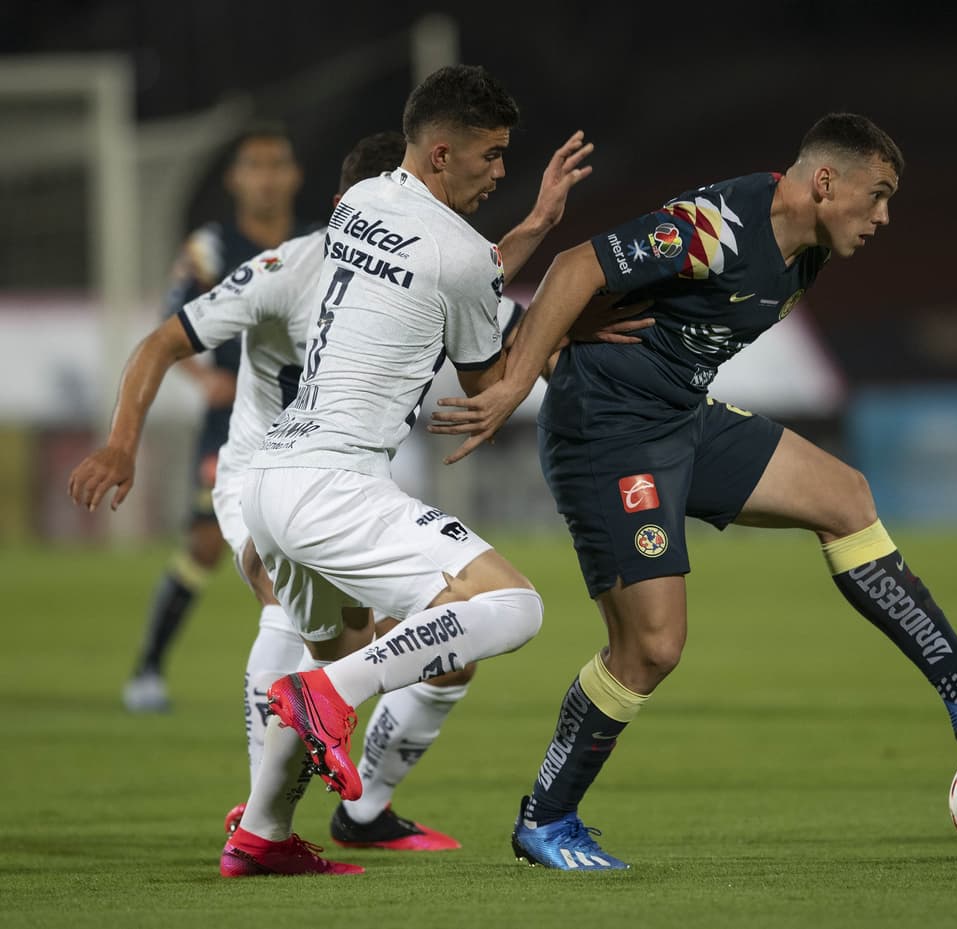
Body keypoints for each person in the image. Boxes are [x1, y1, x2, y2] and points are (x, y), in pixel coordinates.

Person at [428, 113, 957, 870]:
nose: (883, 217)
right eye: (875, 196)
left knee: (844, 496)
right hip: (610, 437)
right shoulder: (716, 228)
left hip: (680, 417)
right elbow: (578, 265)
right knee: (651, 647)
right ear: (823, 182)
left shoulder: (808, 248)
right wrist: (517, 381)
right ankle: (545, 819)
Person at [221, 64, 611, 878]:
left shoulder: (362, 202)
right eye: (492, 155)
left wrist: (532, 226)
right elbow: (487, 383)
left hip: (274, 478)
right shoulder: (463, 255)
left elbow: (443, 267)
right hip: (337, 484)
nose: (501, 171)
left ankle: (261, 832)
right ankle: (331, 698)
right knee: (513, 605)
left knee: (341, 646)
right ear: (441, 154)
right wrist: (556, 321)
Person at [71, 131, 508, 852]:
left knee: (453, 638)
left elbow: (483, 289)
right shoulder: (285, 268)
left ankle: (365, 811)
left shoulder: (417, 270)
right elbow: (161, 341)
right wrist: (122, 443)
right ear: (353, 206)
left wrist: (534, 231)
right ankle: (259, 815)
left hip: (349, 481)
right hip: (262, 476)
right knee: (281, 594)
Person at [122, 125, 304, 713]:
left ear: (294, 177)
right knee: (205, 542)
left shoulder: (313, 242)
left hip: (301, 419)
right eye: (255, 166)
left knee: (310, 544)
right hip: (231, 421)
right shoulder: (212, 246)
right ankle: (148, 667)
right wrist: (205, 379)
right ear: (235, 180)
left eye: (277, 165)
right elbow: (169, 327)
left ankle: (309, 677)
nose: (267, 178)